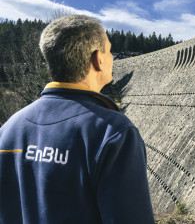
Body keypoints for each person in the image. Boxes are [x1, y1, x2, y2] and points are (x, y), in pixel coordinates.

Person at [0, 15, 155, 223]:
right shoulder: (112, 133)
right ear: (98, 59)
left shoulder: (9, 129)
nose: (111, 58)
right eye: (109, 51)